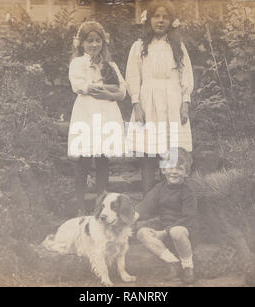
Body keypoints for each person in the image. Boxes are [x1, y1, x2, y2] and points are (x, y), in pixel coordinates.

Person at [125, 0, 194, 195]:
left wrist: (185, 104)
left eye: (165, 17)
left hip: (172, 102)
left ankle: (168, 201)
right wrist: (137, 104)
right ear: (149, 19)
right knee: (148, 153)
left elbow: (185, 75)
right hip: (148, 101)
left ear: (172, 21)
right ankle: (148, 199)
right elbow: (133, 76)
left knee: (171, 152)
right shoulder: (139, 47)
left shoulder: (177, 47)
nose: (161, 21)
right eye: (156, 16)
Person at [68, 21, 127, 214]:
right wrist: (96, 86)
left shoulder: (110, 64)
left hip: (107, 113)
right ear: (81, 43)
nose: (94, 45)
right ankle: (81, 205)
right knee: (84, 159)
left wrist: (108, 93)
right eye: (89, 41)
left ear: (103, 42)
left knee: (103, 159)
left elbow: (122, 90)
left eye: (98, 41)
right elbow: (79, 85)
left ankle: (101, 205)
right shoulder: (78, 63)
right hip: (86, 113)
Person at [135, 148, 198, 284]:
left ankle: (188, 266)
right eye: (170, 167)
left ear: (187, 173)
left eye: (180, 169)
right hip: (164, 226)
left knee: (177, 231)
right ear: (163, 170)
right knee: (142, 233)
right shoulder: (160, 187)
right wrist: (134, 215)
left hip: (185, 231)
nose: (174, 172)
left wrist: (164, 233)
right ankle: (173, 263)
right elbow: (146, 204)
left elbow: (189, 217)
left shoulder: (188, 191)